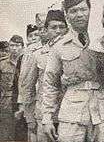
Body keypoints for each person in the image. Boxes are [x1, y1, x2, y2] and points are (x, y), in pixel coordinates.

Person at [42, 0, 104, 142]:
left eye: (83, 9)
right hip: (72, 113)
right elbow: (50, 83)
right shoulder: (60, 46)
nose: (79, 15)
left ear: (90, 11)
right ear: (66, 15)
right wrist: (47, 118)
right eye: (73, 11)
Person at [21, 9, 68, 142]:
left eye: (62, 27)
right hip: (43, 116)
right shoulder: (36, 54)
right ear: (46, 30)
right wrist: (29, 118)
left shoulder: (73, 53)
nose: (58, 31)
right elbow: (27, 88)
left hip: (68, 114)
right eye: (53, 27)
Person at [18, 14, 48, 142]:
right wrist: (29, 116)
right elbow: (26, 85)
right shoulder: (32, 52)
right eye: (40, 29)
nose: (43, 32)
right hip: (37, 108)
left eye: (44, 28)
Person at [0, 35, 24, 141]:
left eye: (17, 45)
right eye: (12, 45)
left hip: (23, 101)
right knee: (5, 134)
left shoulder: (27, 62)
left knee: (21, 134)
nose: (14, 48)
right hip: (6, 103)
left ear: (22, 47)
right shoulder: (2, 64)